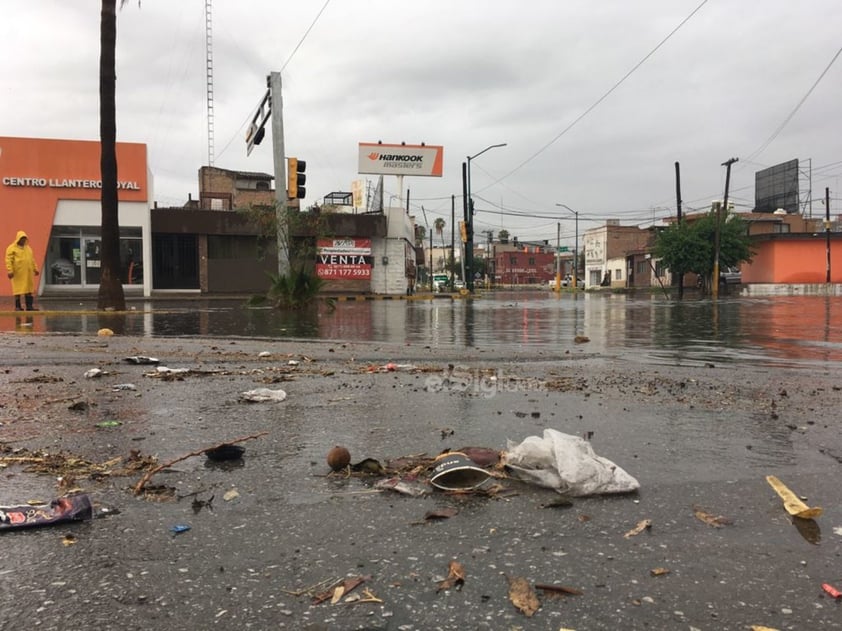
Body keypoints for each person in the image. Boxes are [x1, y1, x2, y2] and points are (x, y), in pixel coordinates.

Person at [5, 230, 39, 311]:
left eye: (25, 239)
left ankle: (29, 306)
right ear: (18, 239)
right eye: (22, 238)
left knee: (29, 289)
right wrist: (10, 270)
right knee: (18, 290)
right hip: (18, 273)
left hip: (28, 273)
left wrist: (35, 269)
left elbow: (32, 260)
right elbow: (8, 260)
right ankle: (17, 306)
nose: (23, 240)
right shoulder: (11, 248)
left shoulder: (28, 248)